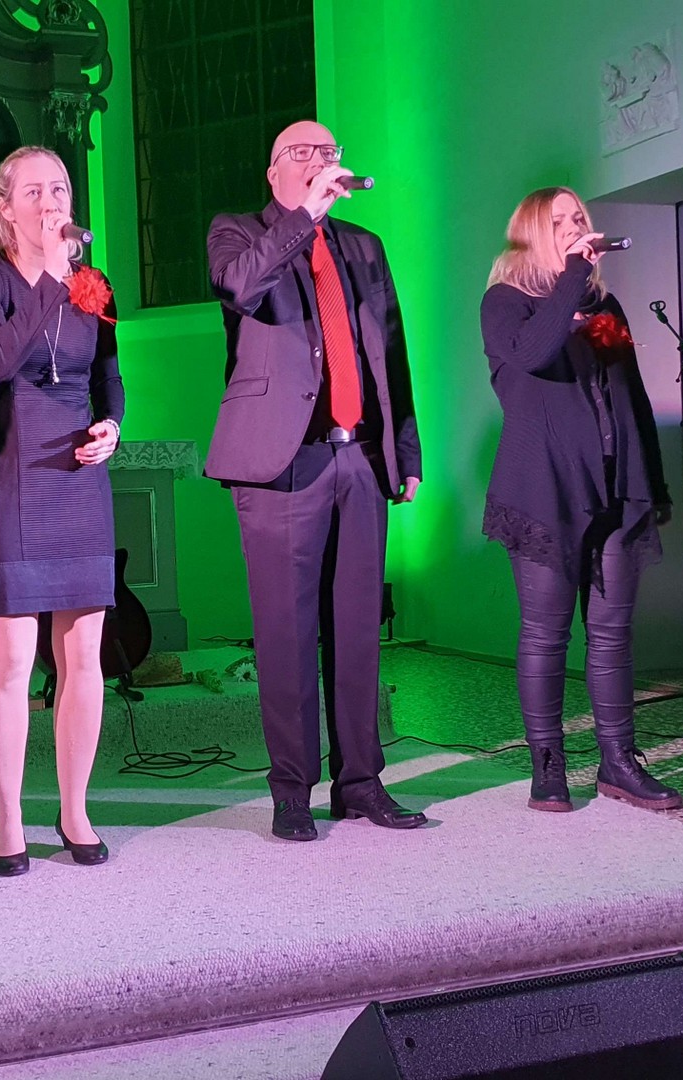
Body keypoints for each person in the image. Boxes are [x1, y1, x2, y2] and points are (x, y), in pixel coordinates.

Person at [205, 120, 424, 842]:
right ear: (273, 173)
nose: (319, 160)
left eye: (327, 151)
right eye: (301, 152)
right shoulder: (237, 232)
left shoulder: (365, 246)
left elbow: (391, 351)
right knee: (287, 634)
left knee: (358, 630)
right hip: (282, 463)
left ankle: (360, 782)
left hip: (358, 457)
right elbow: (243, 288)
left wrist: (404, 451)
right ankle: (292, 790)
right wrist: (304, 216)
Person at [480, 187, 683, 813]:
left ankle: (618, 763)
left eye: (580, 218)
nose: (575, 226)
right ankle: (547, 766)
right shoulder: (505, 301)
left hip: (615, 486)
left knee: (612, 633)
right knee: (546, 634)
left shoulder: (604, 303)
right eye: (560, 220)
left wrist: (653, 482)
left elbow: (632, 394)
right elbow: (534, 353)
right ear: (532, 232)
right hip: (544, 487)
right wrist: (572, 274)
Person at [0, 146, 122, 876]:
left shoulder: (95, 283)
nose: (52, 201)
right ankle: (8, 818)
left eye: (59, 188)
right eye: (34, 191)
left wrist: (111, 425)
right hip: (13, 474)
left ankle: (75, 808)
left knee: (83, 654)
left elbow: (108, 376)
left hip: (78, 476)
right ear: (6, 206)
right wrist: (52, 276)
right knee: (12, 660)